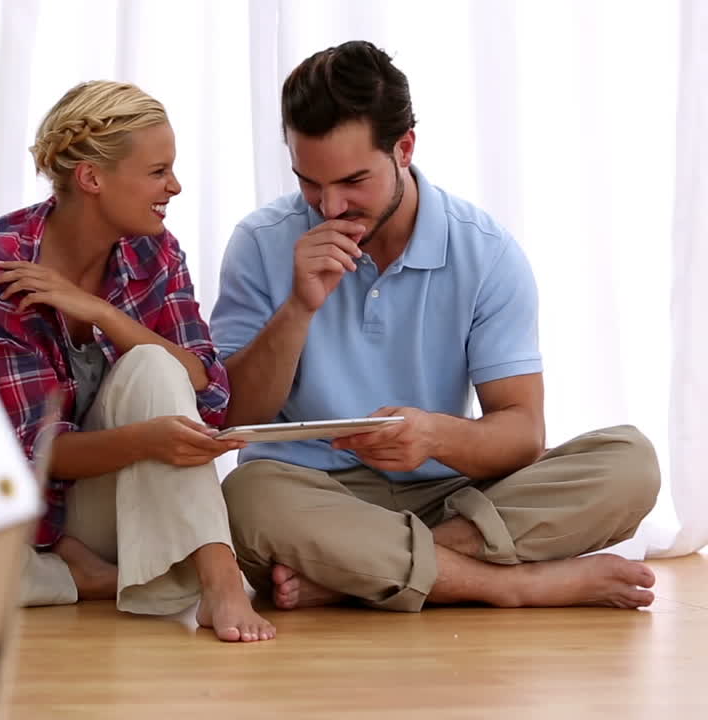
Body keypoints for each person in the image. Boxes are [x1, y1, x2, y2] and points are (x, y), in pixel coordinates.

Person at [210, 41, 660, 613]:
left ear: (404, 148)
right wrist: (298, 307)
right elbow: (233, 417)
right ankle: (514, 586)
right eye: (309, 182)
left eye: (353, 181)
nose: (329, 206)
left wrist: (434, 437)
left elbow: (522, 432)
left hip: (451, 493)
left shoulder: (486, 253)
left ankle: (356, 574)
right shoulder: (260, 242)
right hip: (314, 494)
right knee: (247, 499)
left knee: (629, 464)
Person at [0, 81, 274, 642]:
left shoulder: (155, 250)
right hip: (36, 512)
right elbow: (35, 456)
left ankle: (218, 581)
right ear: (92, 178)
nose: (175, 186)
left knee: (154, 365)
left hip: (122, 506)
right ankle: (83, 575)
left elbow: (210, 392)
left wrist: (102, 313)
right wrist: (146, 441)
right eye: (158, 171)